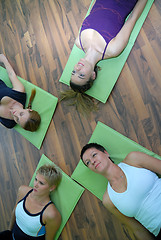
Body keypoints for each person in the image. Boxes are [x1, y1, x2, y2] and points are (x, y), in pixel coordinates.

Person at [60, 0, 148, 115]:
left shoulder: (78, 42)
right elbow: (133, 18)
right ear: (93, 75)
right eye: (81, 75)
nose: (77, 69)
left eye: (73, 72)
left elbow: (93, 11)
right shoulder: (113, 49)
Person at [80, 143, 161, 239]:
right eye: (88, 162)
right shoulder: (108, 200)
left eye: (94, 155)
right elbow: (137, 229)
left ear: (106, 153)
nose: (92, 161)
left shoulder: (133, 159)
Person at [0, 164, 62, 240]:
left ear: (51, 188)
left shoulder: (51, 214)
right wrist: (9, 231)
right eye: (36, 179)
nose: (35, 185)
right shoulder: (23, 191)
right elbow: (14, 212)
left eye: (41, 183)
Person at [0, 54, 41, 131]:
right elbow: (12, 75)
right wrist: (4, 60)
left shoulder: (9, 124)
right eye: (21, 114)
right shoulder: (19, 93)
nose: (15, 115)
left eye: (18, 120)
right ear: (28, 110)